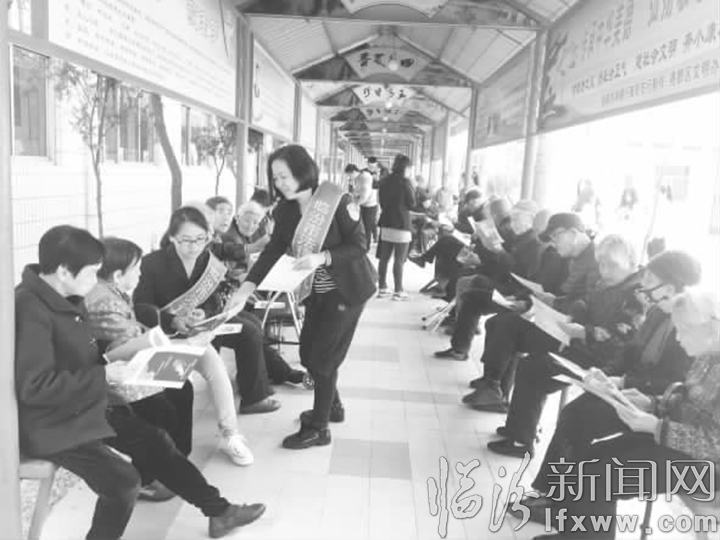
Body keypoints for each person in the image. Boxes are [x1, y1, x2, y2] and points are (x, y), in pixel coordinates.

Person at [15, 225, 265, 540]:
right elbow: (34, 386)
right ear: (64, 271)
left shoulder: (65, 296)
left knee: (156, 441)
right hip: (54, 424)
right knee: (123, 482)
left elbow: (77, 355)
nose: (96, 282)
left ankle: (220, 512)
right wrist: (104, 375)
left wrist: (123, 359)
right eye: (92, 272)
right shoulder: (29, 309)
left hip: (85, 405)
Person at [526, 289, 720, 540]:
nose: (679, 338)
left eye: (684, 330)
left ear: (711, 327)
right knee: (590, 459)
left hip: (706, 471)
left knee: (600, 477)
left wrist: (656, 427)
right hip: (677, 448)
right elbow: (688, 405)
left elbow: (714, 444)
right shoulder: (707, 357)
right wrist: (651, 404)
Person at [228, 145, 377, 449]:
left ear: (302, 171)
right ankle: (332, 406)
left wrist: (322, 258)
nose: (279, 183)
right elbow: (272, 251)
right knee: (308, 354)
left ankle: (319, 427)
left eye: (284, 176)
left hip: (347, 291)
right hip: (315, 292)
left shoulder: (336, 200)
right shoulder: (283, 211)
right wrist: (246, 288)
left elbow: (359, 244)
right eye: (275, 178)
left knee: (323, 359)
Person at [85, 237, 254, 466]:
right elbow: (128, 346)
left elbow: (134, 327)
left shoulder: (110, 291)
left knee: (204, 361)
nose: (140, 273)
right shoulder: (105, 300)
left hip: (140, 352)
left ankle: (217, 439)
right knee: (181, 386)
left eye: (201, 238)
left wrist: (183, 324)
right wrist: (186, 342)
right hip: (124, 372)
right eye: (136, 269)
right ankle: (173, 462)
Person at [486, 234, 645, 457]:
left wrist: (584, 331)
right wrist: (574, 314)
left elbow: (623, 335)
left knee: (536, 368)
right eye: (601, 264)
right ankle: (518, 428)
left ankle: (522, 440)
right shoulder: (605, 283)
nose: (605, 271)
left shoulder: (637, 294)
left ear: (631, 262)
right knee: (530, 359)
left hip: (604, 361)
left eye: (612, 265)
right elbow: (585, 303)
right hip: (581, 345)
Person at [133, 207, 281, 414]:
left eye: (200, 239)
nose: (194, 246)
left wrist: (204, 312)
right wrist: (172, 320)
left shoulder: (206, 259)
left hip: (200, 325)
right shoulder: (152, 263)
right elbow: (141, 306)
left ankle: (254, 396)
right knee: (248, 332)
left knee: (250, 330)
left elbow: (213, 298)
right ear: (173, 237)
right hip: (168, 330)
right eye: (186, 240)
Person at [462, 212, 601, 411]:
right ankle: (493, 386)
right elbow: (569, 296)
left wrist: (550, 303)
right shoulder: (574, 257)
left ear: (573, 233)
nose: (553, 242)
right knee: (501, 323)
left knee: (507, 326)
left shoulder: (595, 261)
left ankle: (493, 387)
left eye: (556, 236)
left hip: (573, 334)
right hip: (559, 320)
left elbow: (586, 305)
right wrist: (549, 302)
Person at [377, 154, 417, 300]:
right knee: (399, 260)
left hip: (386, 222)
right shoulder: (405, 183)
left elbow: (381, 202)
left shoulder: (384, 181)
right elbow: (412, 204)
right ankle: (398, 291)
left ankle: (382, 288)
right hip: (401, 224)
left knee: (384, 258)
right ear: (406, 168)